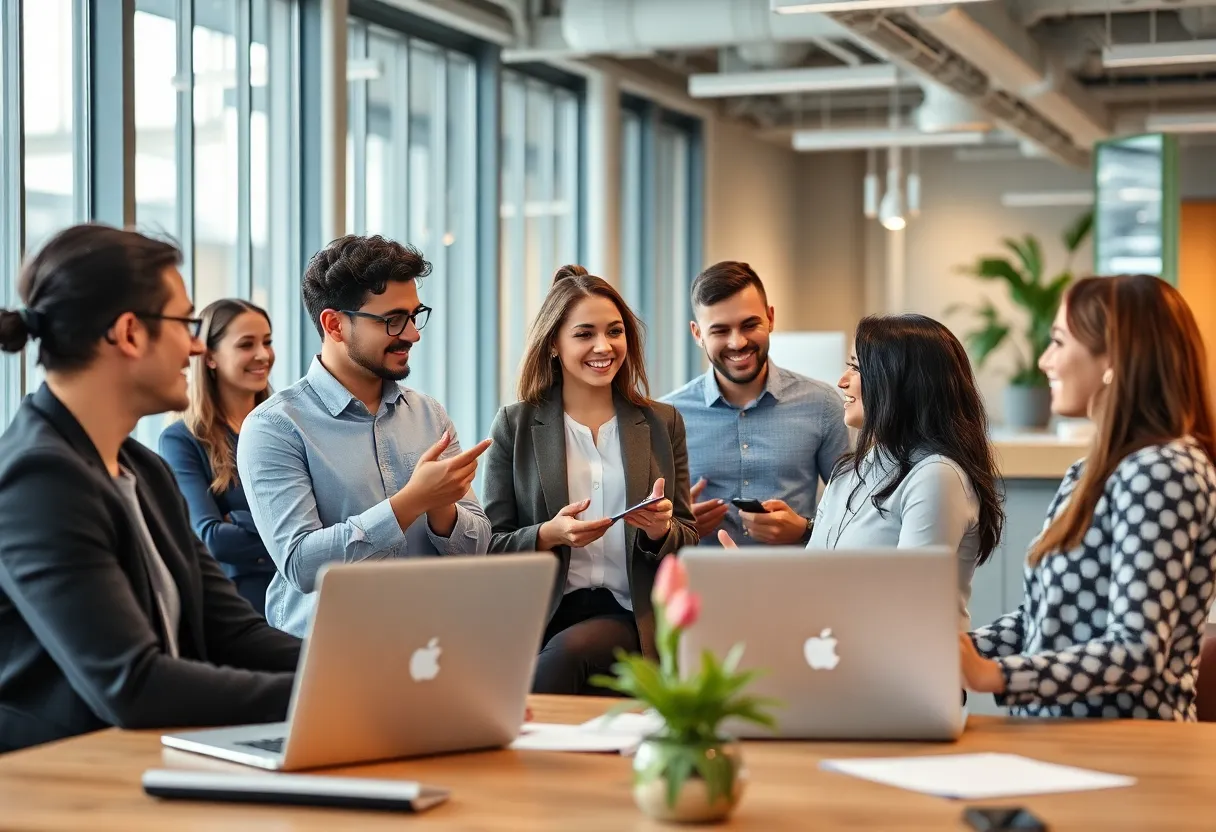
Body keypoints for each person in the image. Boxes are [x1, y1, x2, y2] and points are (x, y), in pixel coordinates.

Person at [0, 224, 300, 753]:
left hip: (147, 761)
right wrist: (323, 692)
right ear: (129, 333)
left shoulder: (143, 469)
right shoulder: (39, 479)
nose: (195, 345)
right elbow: (132, 684)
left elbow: (232, 631)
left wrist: (359, 669)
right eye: (185, 322)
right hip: (65, 783)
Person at [961, 275, 1216, 720]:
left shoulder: (1162, 470)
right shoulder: (1091, 471)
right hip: (1063, 738)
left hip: (1128, 748)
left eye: (1058, 342)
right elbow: (1043, 622)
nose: (1044, 361)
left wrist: (993, 675)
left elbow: (1136, 649)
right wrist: (956, 651)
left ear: (1113, 356)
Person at [237, 235, 492, 637]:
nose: (412, 335)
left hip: (433, 644)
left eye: (414, 315)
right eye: (393, 320)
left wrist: (442, 508)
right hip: (328, 654)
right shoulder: (275, 427)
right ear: (334, 324)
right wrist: (411, 502)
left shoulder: (429, 414)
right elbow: (301, 564)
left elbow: (477, 550)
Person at [483, 265, 698, 695]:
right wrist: (548, 534)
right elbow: (490, 544)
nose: (604, 346)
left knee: (568, 655)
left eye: (614, 332)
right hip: (542, 613)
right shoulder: (516, 424)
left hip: (631, 614)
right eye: (584, 334)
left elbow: (688, 538)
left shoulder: (661, 423)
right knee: (558, 654)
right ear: (553, 346)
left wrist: (660, 532)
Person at [718, 314, 1004, 628]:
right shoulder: (847, 473)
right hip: (839, 662)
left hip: (906, 670)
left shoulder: (936, 476)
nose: (842, 381)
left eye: (856, 368)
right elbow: (813, 583)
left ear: (898, 382)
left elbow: (906, 606)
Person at [662, 261, 849, 547]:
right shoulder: (667, 417)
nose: (737, 343)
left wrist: (805, 529)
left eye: (749, 325)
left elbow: (853, 513)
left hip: (795, 584)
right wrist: (679, 529)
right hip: (700, 587)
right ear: (697, 334)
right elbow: (643, 534)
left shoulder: (822, 404)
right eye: (720, 331)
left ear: (770, 318)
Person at [159, 299, 278, 615]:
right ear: (209, 356)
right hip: (243, 608)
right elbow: (213, 539)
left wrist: (239, 520)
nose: (263, 355)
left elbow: (332, 515)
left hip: (304, 599)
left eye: (267, 342)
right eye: (246, 344)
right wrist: (298, 537)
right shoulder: (182, 440)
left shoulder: (287, 428)